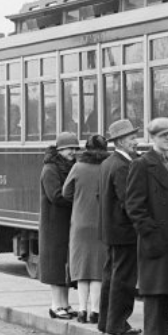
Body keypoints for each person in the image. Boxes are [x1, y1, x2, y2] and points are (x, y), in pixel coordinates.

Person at [124, 117, 168, 335]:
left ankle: (164, 332)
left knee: (166, 285)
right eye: (164, 136)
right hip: (155, 236)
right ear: (152, 138)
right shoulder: (142, 165)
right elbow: (134, 204)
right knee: (154, 287)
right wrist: (149, 231)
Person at [98, 118, 141, 335]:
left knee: (110, 276)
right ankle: (118, 323)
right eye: (132, 138)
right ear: (121, 141)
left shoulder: (108, 163)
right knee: (124, 279)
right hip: (124, 232)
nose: (136, 141)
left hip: (111, 230)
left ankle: (105, 321)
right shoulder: (123, 166)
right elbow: (128, 200)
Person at [62, 134, 110, 324]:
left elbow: (66, 192)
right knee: (97, 269)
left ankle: (82, 310)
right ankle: (95, 312)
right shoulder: (106, 167)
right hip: (101, 222)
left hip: (80, 223)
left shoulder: (78, 167)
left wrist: (80, 199)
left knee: (82, 269)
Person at [38, 131, 80, 318]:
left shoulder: (70, 167)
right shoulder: (50, 169)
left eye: (74, 148)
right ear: (60, 150)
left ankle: (65, 304)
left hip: (66, 222)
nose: (73, 152)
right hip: (54, 225)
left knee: (65, 265)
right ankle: (56, 305)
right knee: (56, 266)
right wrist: (77, 198)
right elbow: (55, 195)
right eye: (69, 149)